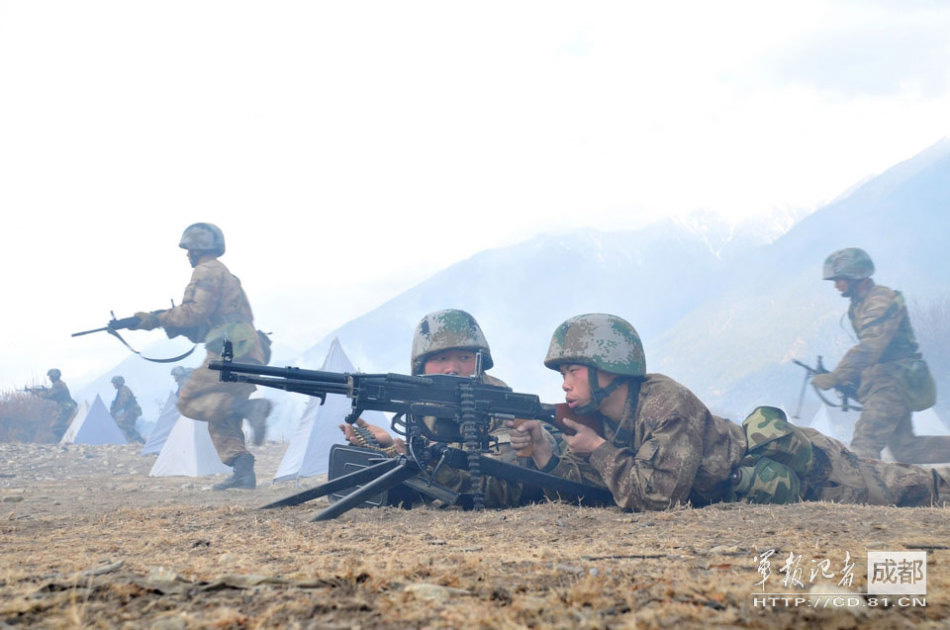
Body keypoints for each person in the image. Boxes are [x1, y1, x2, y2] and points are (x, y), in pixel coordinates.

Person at [510, 313, 949, 511]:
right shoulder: (606, 417)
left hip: (807, 470)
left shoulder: (665, 402)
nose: (565, 383)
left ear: (609, 369)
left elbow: (656, 497)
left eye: (573, 370)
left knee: (910, 487)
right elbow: (606, 487)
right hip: (758, 487)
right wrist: (546, 453)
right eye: (562, 373)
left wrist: (600, 449)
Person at [339, 308, 555, 508]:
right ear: (421, 366)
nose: (452, 369)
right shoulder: (426, 409)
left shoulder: (502, 409)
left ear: (480, 362)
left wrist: (434, 465)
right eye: (441, 359)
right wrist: (387, 450)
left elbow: (504, 491)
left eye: (464, 358)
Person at [132, 222, 272, 490]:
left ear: (198, 249)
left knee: (191, 399)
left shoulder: (206, 271)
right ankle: (243, 471)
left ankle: (251, 409)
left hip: (229, 350)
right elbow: (204, 323)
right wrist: (169, 322)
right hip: (247, 349)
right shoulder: (227, 276)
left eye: (189, 249)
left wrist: (155, 319)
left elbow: (195, 312)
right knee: (222, 412)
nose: (187, 255)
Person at [812, 247, 948, 463]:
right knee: (906, 450)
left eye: (840, 279)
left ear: (856, 275)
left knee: (863, 447)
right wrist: (847, 381)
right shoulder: (859, 304)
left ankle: (860, 495)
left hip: (894, 382)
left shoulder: (880, 300)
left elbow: (871, 347)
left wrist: (837, 375)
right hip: (884, 381)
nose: (837, 285)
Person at [34, 368, 78, 441]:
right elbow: (53, 393)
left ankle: (67, 439)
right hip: (67, 407)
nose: (49, 378)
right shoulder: (59, 384)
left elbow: (48, 395)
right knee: (58, 425)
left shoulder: (58, 385)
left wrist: (37, 393)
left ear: (54, 376)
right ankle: (66, 439)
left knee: (56, 426)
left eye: (50, 376)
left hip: (66, 407)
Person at [109, 375, 144, 443]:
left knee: (121, 423)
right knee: (126, 426)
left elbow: (122, 402)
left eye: (114, 383)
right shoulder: (121, 390)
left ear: (118, 383)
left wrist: (114, 411)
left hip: (132, 410)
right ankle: (136, 440)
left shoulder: (124, 390)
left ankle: (138, 439)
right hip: (130, 410)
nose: (113, 385)